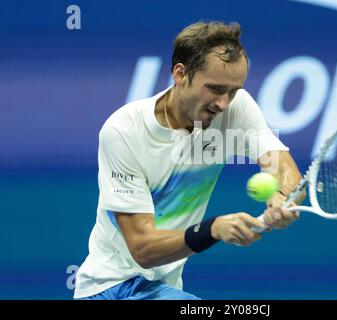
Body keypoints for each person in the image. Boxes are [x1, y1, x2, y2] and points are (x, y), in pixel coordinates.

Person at [74, 21, 305, 300]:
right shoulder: (124, 131)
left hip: (162, 288)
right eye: (215, 88)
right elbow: (143, 249)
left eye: (233, 91)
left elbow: (282, 167)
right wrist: (213, 229)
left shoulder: (236, 108)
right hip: (112, 288)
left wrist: (283, 197)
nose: (223, 103)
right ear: (180, 73)